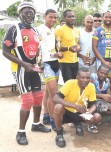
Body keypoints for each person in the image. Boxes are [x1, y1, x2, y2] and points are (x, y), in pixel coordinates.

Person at [2, 2, 51, 145]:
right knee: (28, 100)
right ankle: (21, 132)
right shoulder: (13, 29)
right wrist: (24, 64)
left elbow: (37, 49)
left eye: (32, 12)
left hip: (33, 68)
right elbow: (5, 51)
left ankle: (36, 124)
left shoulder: (35, 31)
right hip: (20, 69)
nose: (29, 15)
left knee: (39, 97)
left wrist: (39, 62)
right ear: (20, 14)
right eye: (26, 12)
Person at [53, 67, 101, 148]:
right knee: (58, 107)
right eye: (82, 77)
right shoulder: (70, 83)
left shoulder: (91, 86)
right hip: (67, 113)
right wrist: (75, 106)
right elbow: (55, 98)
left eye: (87, 78)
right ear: (77, 77)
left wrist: (89, 112)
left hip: (80, 114)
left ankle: (78, 123)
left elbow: (94, 104)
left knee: (97, 117)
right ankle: (59, 134)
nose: (85, 80)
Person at [37, 9, 61, 130]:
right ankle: (53, 120)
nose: (53, 20)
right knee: (53, 94)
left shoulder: (53, 30)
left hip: (55, 63)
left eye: (55, 17)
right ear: (44, 16)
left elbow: (53, 46)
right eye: (50, 17)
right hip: (46, 63)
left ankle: (46, 115)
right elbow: (40, 48)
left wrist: (56, 54)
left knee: (47, 92)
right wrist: (54, 55)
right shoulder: (40, 29)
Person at [92, 11, 111, 79]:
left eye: (110, 17)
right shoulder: (97, 31)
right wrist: (103, 62)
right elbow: (94, 47)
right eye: (106, 17)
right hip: (101, 60)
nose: (108, 19)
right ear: (103, 18)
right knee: (101, 80)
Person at [55, 9, 80, 82]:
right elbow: (57, 47)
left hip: (75, 61)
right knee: (69, 84)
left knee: (76, 83)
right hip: (65, 62)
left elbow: (76, 44)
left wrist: (78, 48)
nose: (72, 18)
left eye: (73, 16)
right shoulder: (59, 30)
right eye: (69, 16)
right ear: (65, 18)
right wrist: (69, 48)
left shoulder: (77, 30)